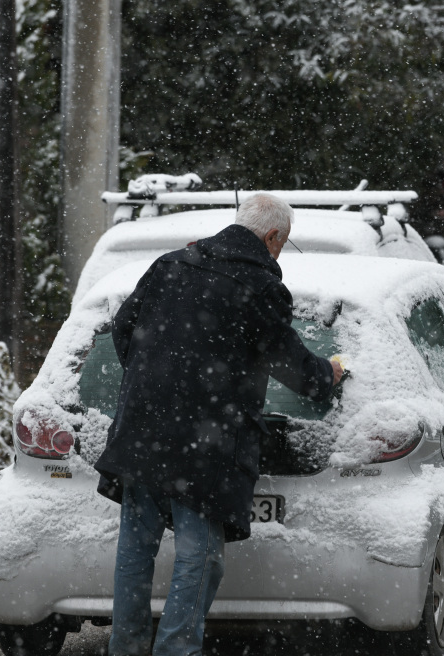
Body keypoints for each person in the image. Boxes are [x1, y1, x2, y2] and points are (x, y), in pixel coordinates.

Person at [93, 193, 344, 656]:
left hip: (142, 430)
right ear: (271, 237)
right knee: (199, 553)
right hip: (205, 445)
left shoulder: (171, 264)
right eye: (282, 244)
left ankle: (125, 647)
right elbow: (288, 362)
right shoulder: (260, 287)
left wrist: (154, 385)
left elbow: (123, 329)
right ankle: (175, 650)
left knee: (136, 545)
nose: (280, 253)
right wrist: (326, 376)